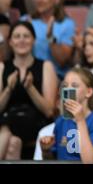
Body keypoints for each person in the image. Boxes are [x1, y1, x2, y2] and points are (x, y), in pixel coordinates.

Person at [0, 21, 58, 159]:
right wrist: (8, 89)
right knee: (13, 142)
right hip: (9, 120)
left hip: (35, 123)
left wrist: (30, 88)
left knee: (7, 134)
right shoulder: (2, 67)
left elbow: (49, 111)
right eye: (17, 36)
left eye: (26, 36)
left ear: (34, 40)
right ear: (10, 42)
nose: (21, 40)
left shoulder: (46, 66)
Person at [40, 68, 93, 163]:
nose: (68, 89)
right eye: (65, 85)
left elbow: (89, 161)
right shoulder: (61, 121)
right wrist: (46, 151)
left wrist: (80, 121)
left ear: (88, 92)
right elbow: (53, 160)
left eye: (75, 85)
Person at [23, 0, 75, 80]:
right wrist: (27, 36)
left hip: (59, 77)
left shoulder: (67, 24)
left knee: (70, 92)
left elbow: (62, 60)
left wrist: (51, 38)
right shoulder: (26, 21)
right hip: (31, 76)